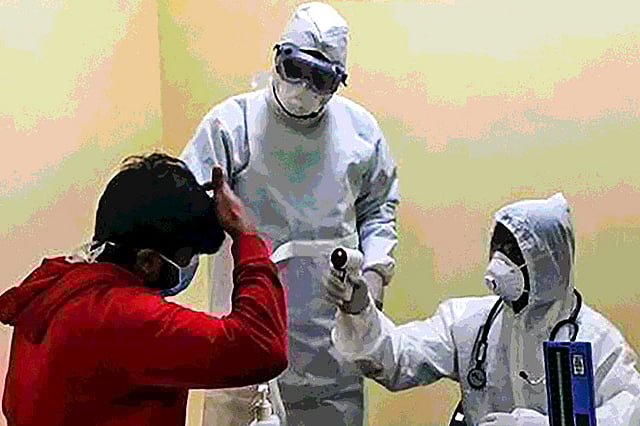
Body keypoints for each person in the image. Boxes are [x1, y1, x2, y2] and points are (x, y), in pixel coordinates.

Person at [180, 2, 399, 425]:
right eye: (294, 68)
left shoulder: (360, 133)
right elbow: (185, 213)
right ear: (277, 56)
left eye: (320, 78)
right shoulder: (233, 125)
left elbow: (378, 209)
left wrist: (374, 272)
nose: (303, 87)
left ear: (339, 82)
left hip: (331, 354)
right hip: (244, 347)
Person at [0, 153, 288, 426]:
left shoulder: (55, 283)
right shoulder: (123, 317)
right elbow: (260, 347)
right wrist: (247, 237)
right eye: (187, 258)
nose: (189, 268)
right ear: (147, 261)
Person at [326, 193, 640, 425]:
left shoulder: (598, 342)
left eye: (514, 250)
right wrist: (359, 309)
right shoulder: (468, 323)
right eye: (498, 247)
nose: (499, 260)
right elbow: (397, 358)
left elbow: (630, 412)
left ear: (548, 263)